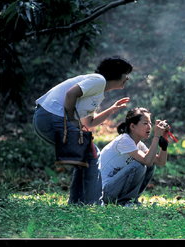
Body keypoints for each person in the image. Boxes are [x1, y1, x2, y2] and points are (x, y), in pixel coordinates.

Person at [33, 56, 133, 205]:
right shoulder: (99, 80)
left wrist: (111, 110)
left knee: (84, 157)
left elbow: (89, 122)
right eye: (126, 73)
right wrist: (72, 119)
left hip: (45, 118)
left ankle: (78, 204)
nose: (128, 78)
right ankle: (93, 204)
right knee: (91, 154)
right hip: (51, 115)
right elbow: (71, 94)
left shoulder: (99, 92)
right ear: (116, 73)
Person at [99, 107, 169, 206]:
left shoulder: (138, 144)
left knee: (150, 164)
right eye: (145, 123)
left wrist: (163, 140)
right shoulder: (124, 140)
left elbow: (160, 162)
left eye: (150, 123)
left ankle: (131, 200)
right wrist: (156, 137)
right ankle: (124, 202)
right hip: (105, 193)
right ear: (132, 126)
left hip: (114, 189)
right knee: (139, 165)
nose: (149, 127)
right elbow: (147, 160)